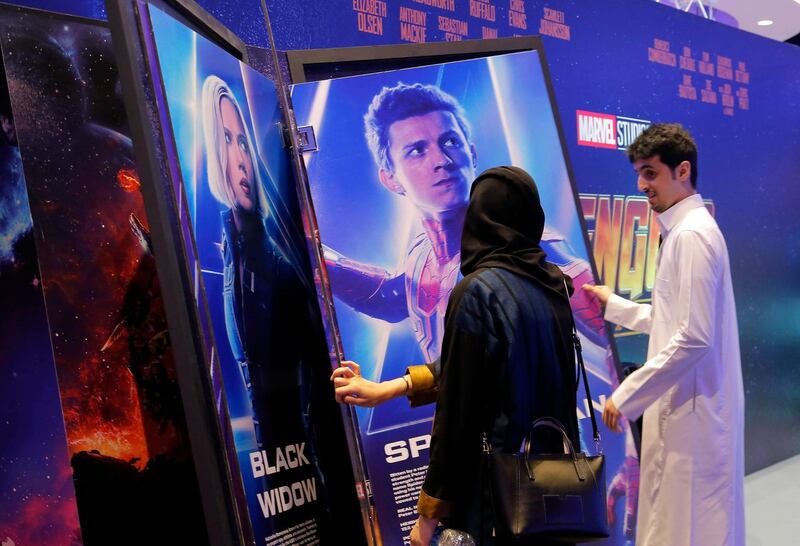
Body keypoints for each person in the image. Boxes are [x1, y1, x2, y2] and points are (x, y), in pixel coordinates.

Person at [328, 82, 604, 407]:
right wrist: (317, 259)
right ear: (390, 178)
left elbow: (604, 336)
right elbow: (394, 298)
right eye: (417, 150)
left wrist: (395, 387)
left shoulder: (528, 248)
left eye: (450, 141)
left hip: (525, 445)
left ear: (471, 152)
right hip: (466, 438)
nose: (442, 160)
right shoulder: (422, 252)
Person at [584, 124, 744, 546]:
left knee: (692, 526)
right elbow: (677, 319)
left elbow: (693, 337)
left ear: (682, 170)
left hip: (694, 410)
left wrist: (629, 393)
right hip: (688, 404)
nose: (641, 185)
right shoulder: (685, 230)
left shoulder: (692, 235)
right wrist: (615, 306)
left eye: (651, 173)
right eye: (639, 173)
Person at [406, 166, 579, 545]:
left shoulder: (476, 292)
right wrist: (398, 386)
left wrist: (429, 515)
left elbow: (457, 414)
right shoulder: (552, 286)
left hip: (497, 500)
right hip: (554, 489)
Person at [201, 75, 312, 446]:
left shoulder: (273, 259)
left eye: (244, 143)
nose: (240, 159)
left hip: (297, 440)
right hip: (270, 438)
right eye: (228, 140)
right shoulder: (233, 247)